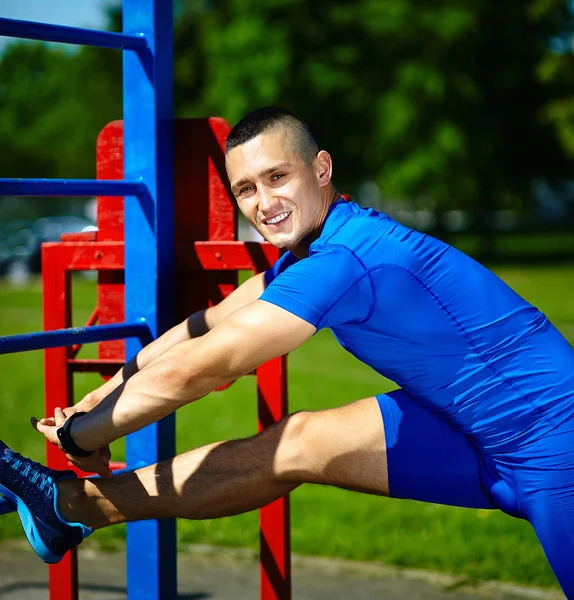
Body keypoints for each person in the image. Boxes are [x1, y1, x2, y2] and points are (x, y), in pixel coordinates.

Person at [1, 107, 573, 595]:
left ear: (320, 168)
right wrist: (98, 398)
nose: (264, 202)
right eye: (246, 189)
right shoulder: (315, 249)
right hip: (468, 429)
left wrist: (85, 437)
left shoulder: (344, 261)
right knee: (296, 442)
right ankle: (68, 508)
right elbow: (205, 327)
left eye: (277, 177)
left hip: (557, 442)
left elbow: (206, 365)